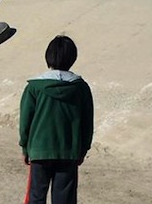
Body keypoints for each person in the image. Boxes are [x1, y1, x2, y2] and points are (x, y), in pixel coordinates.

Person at [19, 35, 94, 204]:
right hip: (69, 152)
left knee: (36, 196)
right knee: (64, 199)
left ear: (48, 57)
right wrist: (83, 149)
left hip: (39, 151)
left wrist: (25, 147)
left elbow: (25, 121)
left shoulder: (34, 87)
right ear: (73, 58)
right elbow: (87, 123)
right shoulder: (81, 87)